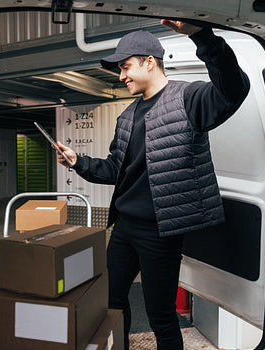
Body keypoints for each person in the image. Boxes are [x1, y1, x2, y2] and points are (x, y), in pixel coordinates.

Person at [56, 19, 250, 350]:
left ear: (149, 61)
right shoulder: (127, 116)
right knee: (111, 302)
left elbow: (233, 90)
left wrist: (202, 36)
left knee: (160, 315)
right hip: (123, 228)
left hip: (160, 232)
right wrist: (79, 162)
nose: (121, 76)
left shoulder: (188, 98)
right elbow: (117, 168)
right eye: (119, 70)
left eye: (126, 67)